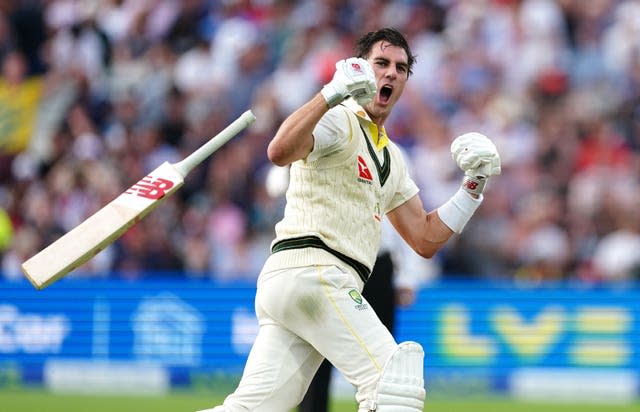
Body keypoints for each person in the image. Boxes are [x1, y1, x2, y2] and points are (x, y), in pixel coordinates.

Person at [199, 27, 500, 412]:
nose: (391, 73)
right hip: (316, 269)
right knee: (394, 382)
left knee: (251, 408)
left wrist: (472, 188)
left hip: (300, 283)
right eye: (382, 63)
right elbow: (278, 150)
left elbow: (425, 238)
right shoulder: (338, 118)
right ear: (360, 68)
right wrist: (329, 93)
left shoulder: (392, 157)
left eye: (401, 68)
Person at [298, 219, 431, 412]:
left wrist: (407, 277)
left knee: (380, 356)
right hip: (334, 260)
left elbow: (407, 221)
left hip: (378, 265)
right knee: (319, 350)